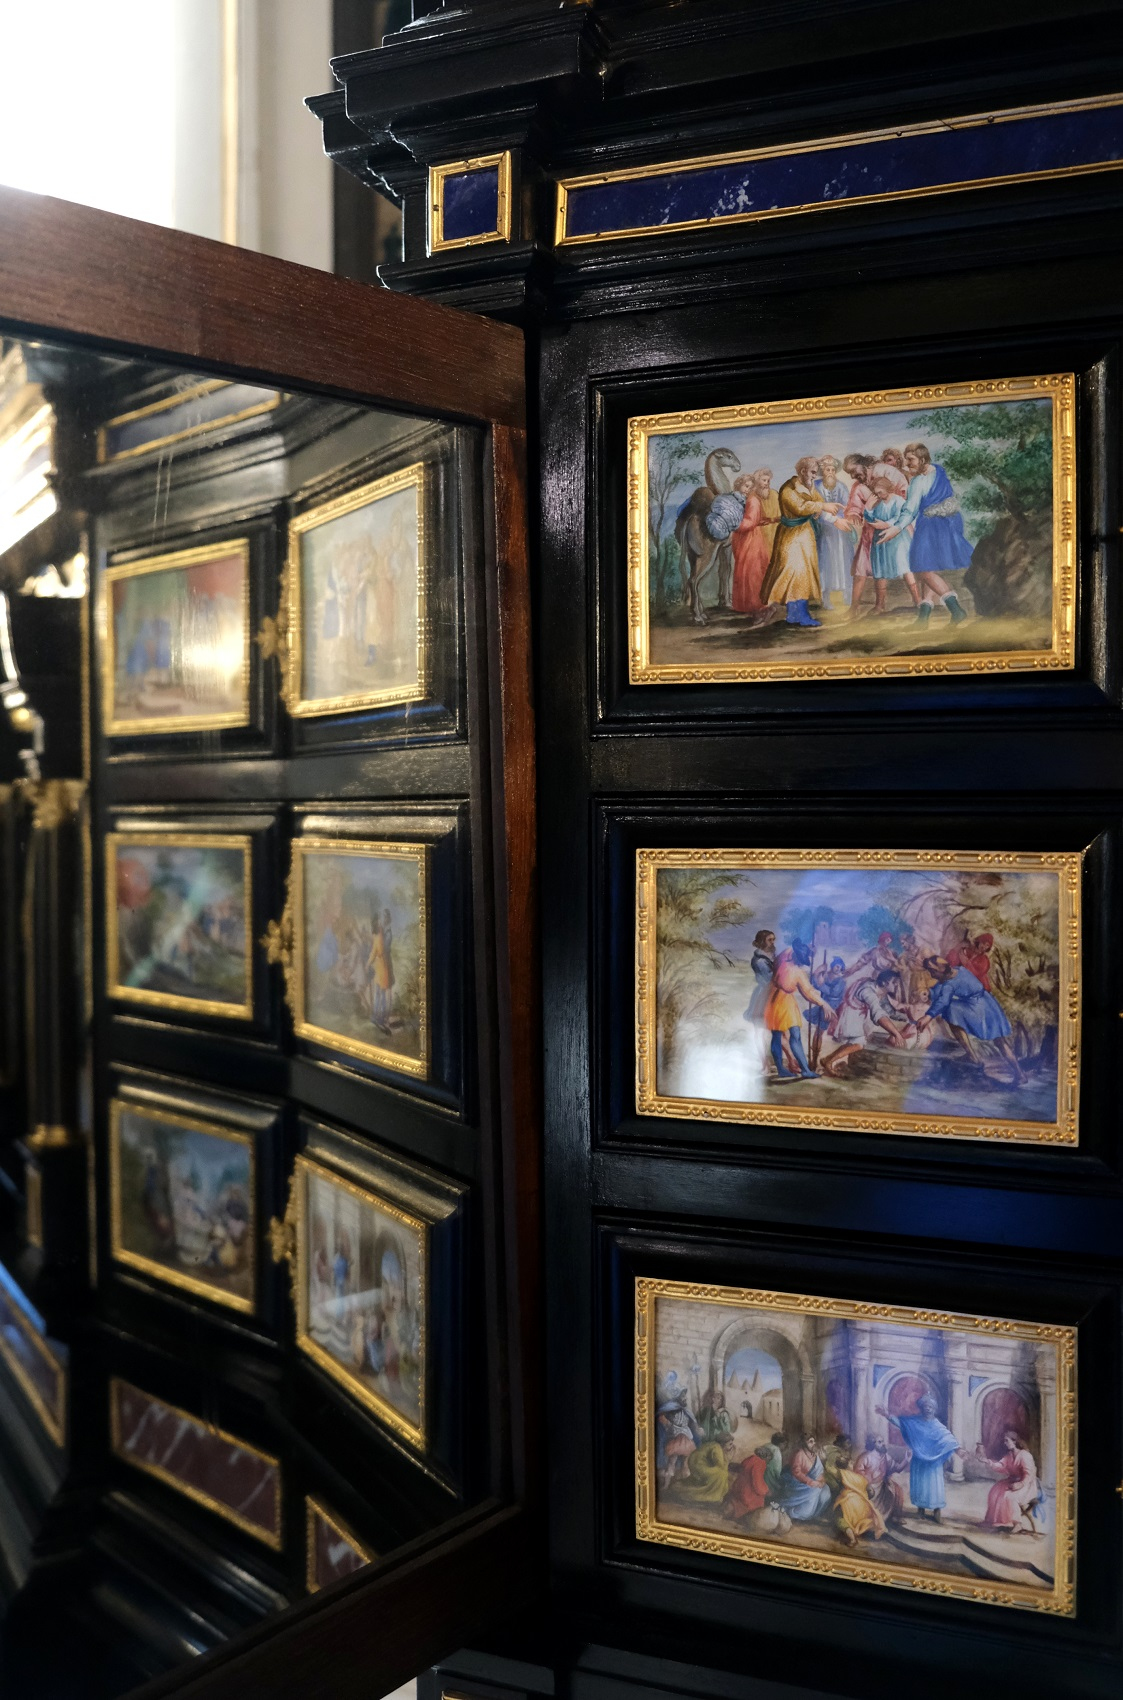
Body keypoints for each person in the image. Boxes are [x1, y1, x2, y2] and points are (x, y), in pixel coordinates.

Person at [874, 441, 971, 626]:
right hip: (947, 524)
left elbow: (910, 511)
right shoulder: (939, 471)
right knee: (928, 568)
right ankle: (923, 618)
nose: (907, 463)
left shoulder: (918, 481)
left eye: (911, 460)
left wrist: (895, 529)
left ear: (923, 459)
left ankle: (956, 610)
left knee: (922, 570)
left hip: (931, 527)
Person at [759, 457, 847, 628]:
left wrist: (826, 511)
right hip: (791, 537)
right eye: (813, 472)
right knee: (793, 574)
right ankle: (798, 615)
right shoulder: (788, 489)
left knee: (804, 575)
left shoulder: (810, 486)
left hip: (805, 535)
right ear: (803, 471)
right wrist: (821, 507)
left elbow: (818, 502)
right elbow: (800, 507)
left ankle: (797, 614)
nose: (815, 476)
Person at [917, 956, 1023, 1083]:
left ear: (941, 970)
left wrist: (928, 1017)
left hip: (978, 1009)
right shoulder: (959, 970)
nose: (932, 975)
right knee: (1000, 1041)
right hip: (989, 1005)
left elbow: (943, 1000)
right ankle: (1020, 1074)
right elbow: (942, 985)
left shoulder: (950, 984)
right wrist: (930, 993)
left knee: (950, 1010)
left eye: (932, 971)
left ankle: (972, 1056)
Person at [876, 1394, 965, 1522]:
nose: (928, 1409)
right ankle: (921, 1511)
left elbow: (948, 1438)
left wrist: (958, 1450)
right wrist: (887, 1415)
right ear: (922, 1408)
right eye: (925, 1406)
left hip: (933, 1464)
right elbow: (900, 1423)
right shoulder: (914, 1422)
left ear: (933, 1409)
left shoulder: (937, 1425)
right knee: (920, 1486)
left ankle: (936, 1512)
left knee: (935, 1487)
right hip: (919, 1461)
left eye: (930, 1407)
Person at [822, 967, 913, 1077]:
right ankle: (829, 1062)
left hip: (859, 1017)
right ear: (884, 983)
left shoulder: (881, 992)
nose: (897, 985)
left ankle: (828, 1059)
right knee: (858, 1044)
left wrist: (908, 1018)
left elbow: (889, 1011)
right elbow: (878, 1013)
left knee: (853, 1043)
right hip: (851, 1017)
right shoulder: (868, 990)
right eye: (894, 983)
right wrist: (896, 1034)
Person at [763, 940, 833, 1080]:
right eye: (800, 958)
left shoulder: (786, 958)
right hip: (776, 1003)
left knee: (792, 1035)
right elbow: (808, 992)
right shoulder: (795, 971)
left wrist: (808, 949)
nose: (800, 962)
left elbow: (808, 991)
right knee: (779, 1035)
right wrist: (823, 1004)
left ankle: (804, 1069)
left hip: (785, 1002)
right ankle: (784, 1069)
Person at [866, 474, 922, 614]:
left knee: (905, 568)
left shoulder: (898, 501)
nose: (879, 495)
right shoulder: (877, 503)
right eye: (876, 493)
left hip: (898, 540)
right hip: (881, 542)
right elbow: (870, 519)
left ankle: (918, 600)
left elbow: (900, 517)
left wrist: (886, 524)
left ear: (887, 488)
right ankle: (880, 605)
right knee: (880, 572)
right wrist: (868, 508)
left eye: (880, 492)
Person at [978, 1431, 1042, 1535]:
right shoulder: (1009, 1455)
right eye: (1004, 1441)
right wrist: (988, 1461)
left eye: (1006, 1441)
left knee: (1009, 1496)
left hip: (1026, 1485)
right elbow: (1001, 1466)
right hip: (1013, 1481)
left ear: (1014, 1441)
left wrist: (1020, 1484)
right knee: (995, 1492)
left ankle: (1017, 1524)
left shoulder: (1025, 1455)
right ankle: (991, 1521)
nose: (1005, 1443)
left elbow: (1029, 1474)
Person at [824, 1441, 888, 1546]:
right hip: (863, 1507)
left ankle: (852, 1539)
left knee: (840, 1519)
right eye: (850, 1462)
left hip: (849, 1504)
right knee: (864, 1520)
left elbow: (830, 1470)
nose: (853, 1463)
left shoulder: (843, 1474)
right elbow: (870, 1492)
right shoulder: (860, 1478)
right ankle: (869, 1530)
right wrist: (865, 1496)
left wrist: (825, 1460)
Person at [729, 470, 775, 617]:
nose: (747, 489)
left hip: (751, 540)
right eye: (745, 486)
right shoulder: (740, 499)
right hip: (744, 539)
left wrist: (733, 524)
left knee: (751, 572)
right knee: (745, 571)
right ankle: (746, 606)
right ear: (738, 486)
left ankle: (757, 606)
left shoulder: (753, 500)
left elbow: (750, 522)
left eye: (750, 487)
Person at [724, 1446, 794, 1536]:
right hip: (748, 1492)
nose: (768, 1462)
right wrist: (766, 1491)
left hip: (738, 1487)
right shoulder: (760, 1463)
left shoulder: (750, 1458)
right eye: (768, 1459)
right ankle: (744, 1519)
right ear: (766, 1457)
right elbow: (757, 1483)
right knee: (758, 1504)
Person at [813, 454, 851, 611]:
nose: (830, 473)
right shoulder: (815, 487)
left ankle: (847, 595)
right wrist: (832, 518)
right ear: (822, 471)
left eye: (832, 470)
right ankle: (826, 596)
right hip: (825, 531)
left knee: (844, 560)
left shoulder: (841, 486)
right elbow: (816, 509)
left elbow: (847, 506)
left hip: (841, 532)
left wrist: (845, 518)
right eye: (827, 470)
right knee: (826, 562)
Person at [774, 1433, 832, 1521]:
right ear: (804, 1443)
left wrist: (821, 1481)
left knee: (826, 1492)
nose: (813, 1443)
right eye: (810, 1442)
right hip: (799, 1483)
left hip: (815, 1482)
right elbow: (796, 1472)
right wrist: (810, 1482)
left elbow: (820, 1471)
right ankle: (795, 1513)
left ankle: (815, 1515)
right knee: (815, 1491)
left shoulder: (815, 1455)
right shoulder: (799, 1454)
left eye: (814, 1441)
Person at [807, 955, 848, 1070]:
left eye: (840, 967)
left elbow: (832, 992)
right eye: (836, 966)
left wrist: (821, 984)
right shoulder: (826, 976)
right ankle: (814, 1058)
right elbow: (813, 984)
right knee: (818, 1032)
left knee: (820, 1032)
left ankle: (816, 1058)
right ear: (833, 966)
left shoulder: (841, 981)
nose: (838, 968)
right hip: (823, 1005)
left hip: (832, 1008)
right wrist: (817, 973)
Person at [855, 1434, 906, 1523]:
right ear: (873, 1444)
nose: (883, 1444)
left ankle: (894, 1516)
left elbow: (896, 1468)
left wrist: (906, 1460)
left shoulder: (885, 1456)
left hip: (882, 1485)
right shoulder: (865, 1457)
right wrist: (867, 1485)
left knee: (897, 1489)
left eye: (883, 1441)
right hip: (869, 1487)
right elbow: (858, 1473)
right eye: (879, 1442)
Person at [656, 1392, 703, 1490]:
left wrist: (697, 1428)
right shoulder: (673, 1410)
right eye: (683, 1398)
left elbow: (691, 1423)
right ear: (679, 1399)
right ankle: (667, 1484)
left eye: (685, 1398)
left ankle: (683, 1484)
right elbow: (669, 1423)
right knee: (672, 1462)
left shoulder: (686, 1412)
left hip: (685, 1439)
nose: (685, 1399)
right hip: (678, 1439)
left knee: (684, 1463)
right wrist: (667, 1422)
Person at [676, 1436, 736, 1503]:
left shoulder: (714, 1445)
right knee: (721, 1474)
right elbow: (720, 1465)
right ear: (723, 1443)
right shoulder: (717, 1447)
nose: (732, 1446)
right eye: (730, 1444)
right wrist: (729, 1458)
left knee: (721, 1473)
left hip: (697, 1464)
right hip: (698, 1466)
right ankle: (711, 1495)